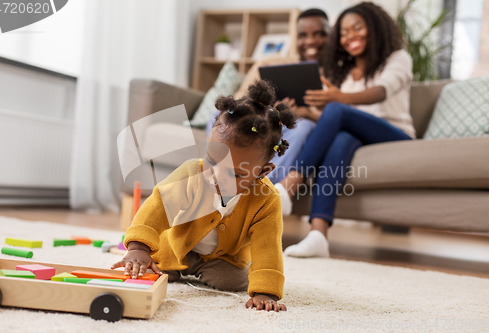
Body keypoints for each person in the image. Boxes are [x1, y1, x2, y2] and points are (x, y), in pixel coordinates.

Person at [112, 80, 296, 312]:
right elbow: (159, 205)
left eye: (235, 174)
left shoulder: (267, 199)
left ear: (262, 171)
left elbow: (267, 246)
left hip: (223, 259)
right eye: (212, 161)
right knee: (150, 265)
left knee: (234, 282)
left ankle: (211, 273)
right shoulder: (191, 173)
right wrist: (138, 247)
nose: (216, 177)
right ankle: (164, 262)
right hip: (175, 248)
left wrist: (265, 292)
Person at [275, 2, 417, 258]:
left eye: (357, 28)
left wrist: (338, 97)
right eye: (344, 32)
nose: (350, 35)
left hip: (396, 136)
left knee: (337, 110)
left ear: (375, 28)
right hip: (359, 138)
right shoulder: (346, 73)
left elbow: (380, 91)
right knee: (340, 138)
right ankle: (319, 235)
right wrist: (305, 112)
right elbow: (334, 119)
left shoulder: (397, 58)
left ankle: (289, 185)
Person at [206, 8, 330, 184]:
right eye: (303, 35)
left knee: (303, 128)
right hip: (265, 121)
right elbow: (239, 98)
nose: (310, 41)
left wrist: (301, 112)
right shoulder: (271, 62)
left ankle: (262, 190)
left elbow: (337, 119)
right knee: (215, 117)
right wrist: (267, 109)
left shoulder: (339, 75)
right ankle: (220, 178)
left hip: (300, 126)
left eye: (319, 34)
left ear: (331, 35)